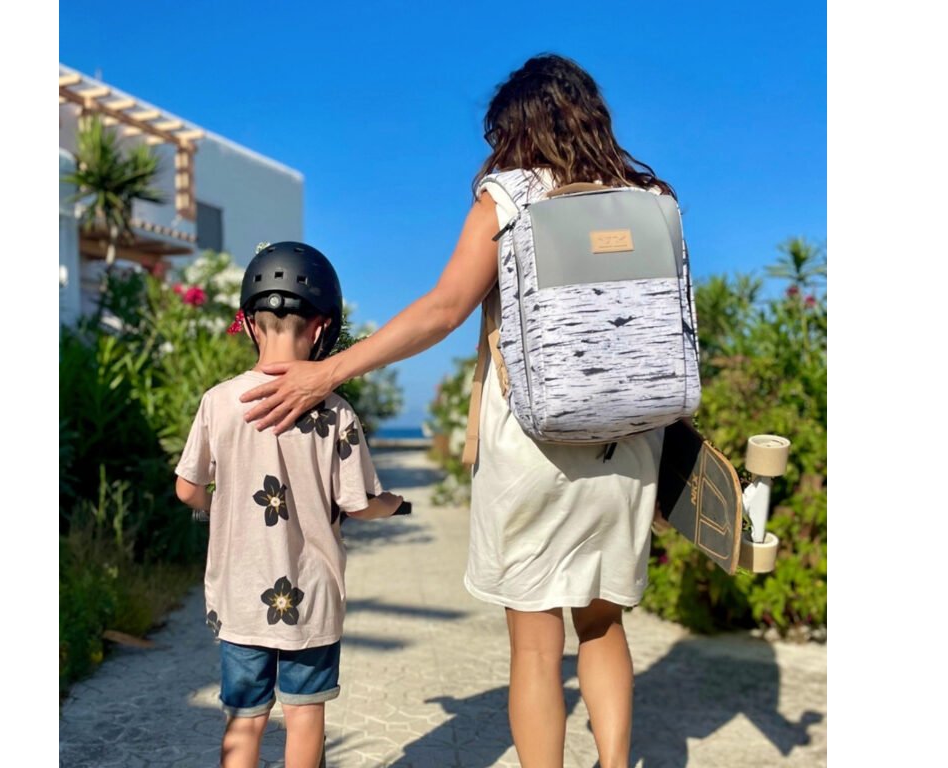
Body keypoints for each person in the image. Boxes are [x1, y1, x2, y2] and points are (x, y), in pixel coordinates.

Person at [239, 56, 675, 768]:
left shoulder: (509, 197)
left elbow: (444, 310)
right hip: (628, 444)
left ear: (515, 128)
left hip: (535, 445)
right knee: (602, 623)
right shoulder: (652, 199)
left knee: (537, 645)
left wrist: (329, 372)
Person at [174, 241, 404, 768]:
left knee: (245, 718)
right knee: (304, 714)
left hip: (240, 596)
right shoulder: (336, 411)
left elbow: (188, 489)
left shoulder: (219, 402)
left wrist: (216, 508)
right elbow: (359, 504)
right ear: (321, 328)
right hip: (311, 596)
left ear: (250, 324)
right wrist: (393, 504)